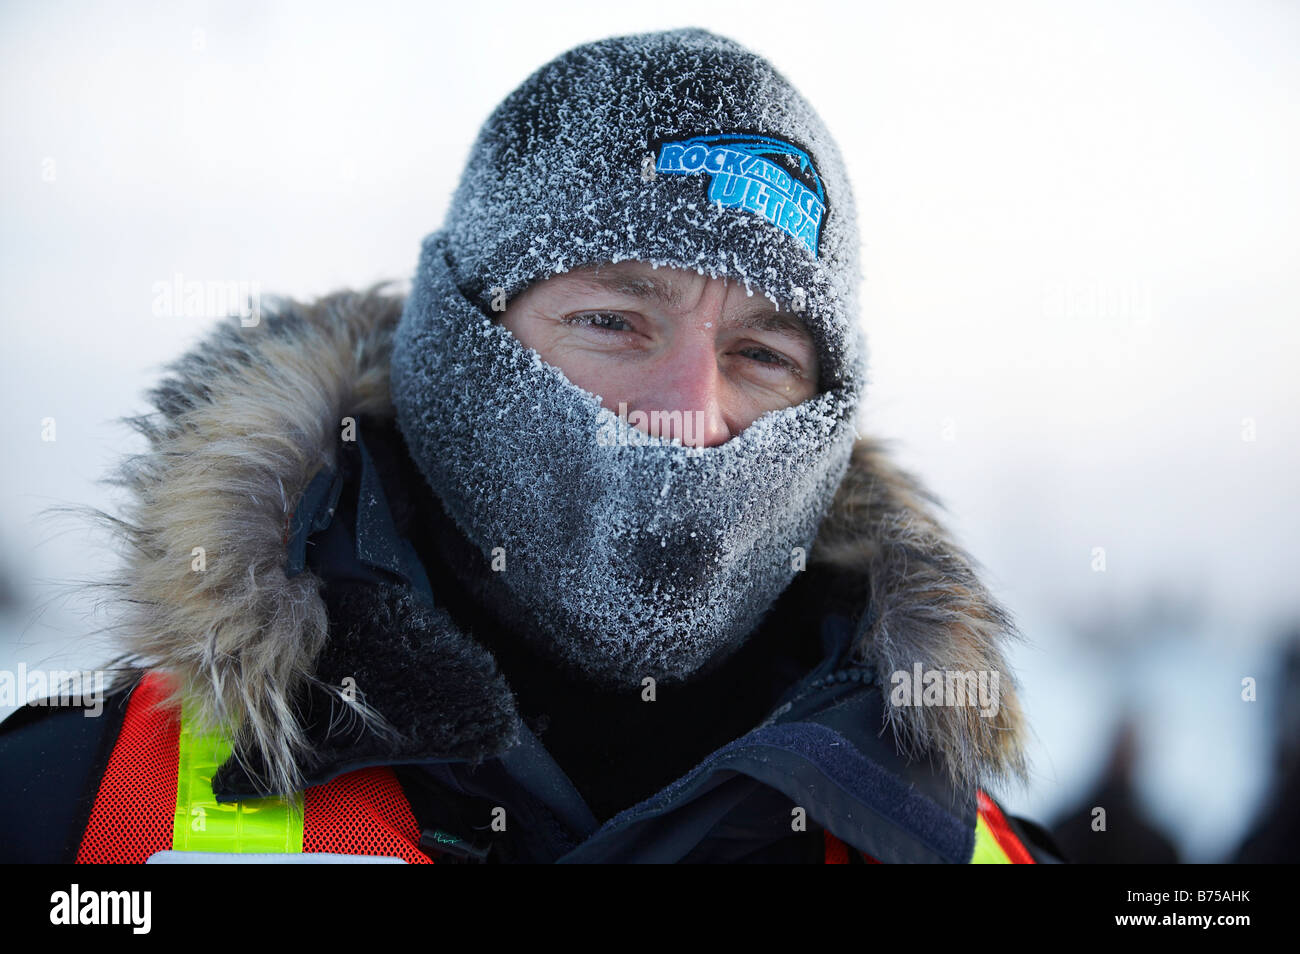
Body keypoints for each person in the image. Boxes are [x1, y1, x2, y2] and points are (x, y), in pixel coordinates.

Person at [0, 27, 1064, 863]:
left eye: (761, 356)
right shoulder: (67, 810)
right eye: (613, 321)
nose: (689, 413)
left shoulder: (952, 848)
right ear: (453, 350)